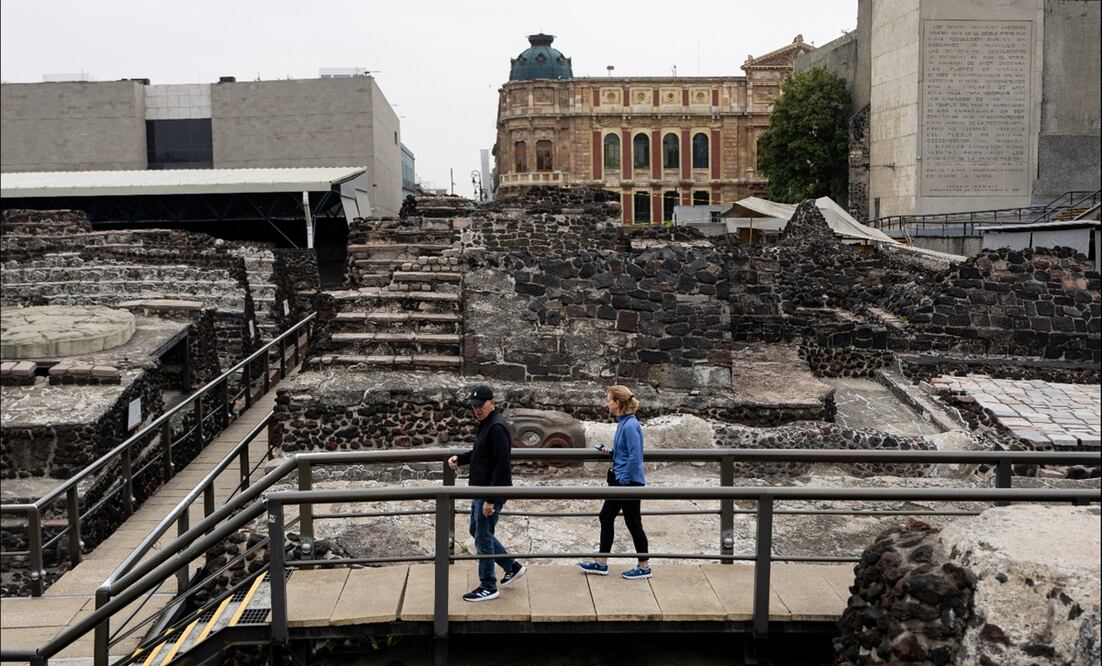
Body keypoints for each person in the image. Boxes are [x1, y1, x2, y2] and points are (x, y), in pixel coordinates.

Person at [448, 385, 526, 601]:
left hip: (489, 491)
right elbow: (481, 452)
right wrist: (461, 459)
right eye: (474, 406)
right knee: (477, 531)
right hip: (482, 488)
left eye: (481, 405)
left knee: (482, 536)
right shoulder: (486, 424)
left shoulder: (497, 427)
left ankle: (488, 586)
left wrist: (491, 499)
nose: (477, 410)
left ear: (492, 403)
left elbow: (502, 464)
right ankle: (512, 566)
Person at [578, 385, 651, 580]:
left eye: (609, 400)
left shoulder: (630, 425)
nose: (607, 403)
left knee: (623, 520)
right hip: (624, 481)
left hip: (627, 483)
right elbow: (627, 452)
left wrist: (622, 480)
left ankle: (639, 566)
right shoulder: (624, 422)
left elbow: (636, 456)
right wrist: (610, 452)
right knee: (622, 519)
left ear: (617, 403)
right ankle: (605, 562)